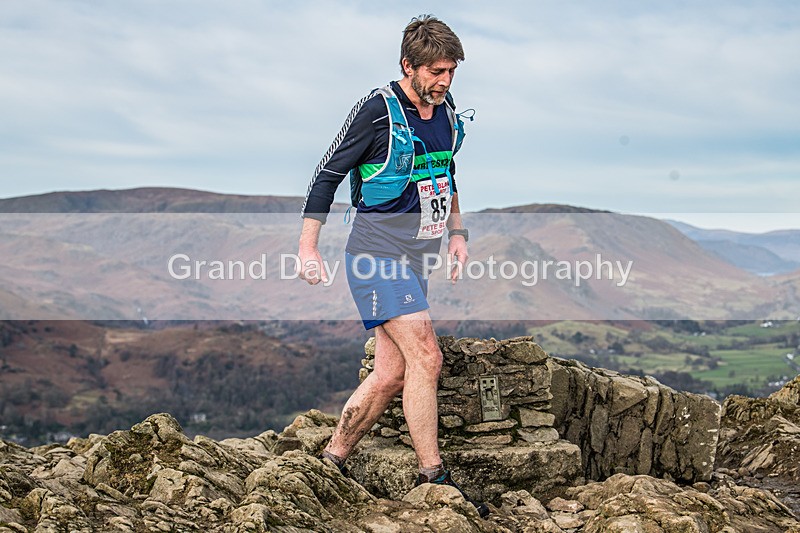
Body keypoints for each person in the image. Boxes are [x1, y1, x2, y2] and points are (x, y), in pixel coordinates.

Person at [297, 15, 488, 517]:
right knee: (427, 356)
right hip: (376, 255)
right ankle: (434, 476)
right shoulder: (376, 111)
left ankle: (331, 460)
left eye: (452, 72)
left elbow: (446, 173)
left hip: (419, 256)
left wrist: (458, 235)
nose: (445, 81)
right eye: (436, 72)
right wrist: (308, 248)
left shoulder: (446, 111)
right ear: (408, 65)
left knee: (390, 374)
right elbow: (326, 175)